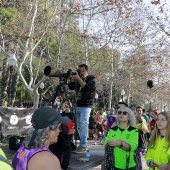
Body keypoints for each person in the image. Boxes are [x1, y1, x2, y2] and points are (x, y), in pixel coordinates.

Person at [68, 64, 97, 153]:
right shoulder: (77, 79)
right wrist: (71, 78)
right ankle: (82, 144)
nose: (80, 73)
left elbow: (87, 88)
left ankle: (83, 145)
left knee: (84, 123)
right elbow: (71, 87)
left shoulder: (92, 79)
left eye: (82, 71)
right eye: (79, 71)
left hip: (86, 105)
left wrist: (78, 78)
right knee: (79, 126)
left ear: (87, 71)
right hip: (78, 104)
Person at [103, 105, 138, 170]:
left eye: (124, 113)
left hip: (130, 167)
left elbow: (132, 147)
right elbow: (105, 145)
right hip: (114, 166)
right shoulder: (112, 130)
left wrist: (120, 144)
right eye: (119, 112)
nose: (121, 114)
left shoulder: (134, 131)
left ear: (129, 117)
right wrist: (112, 143)